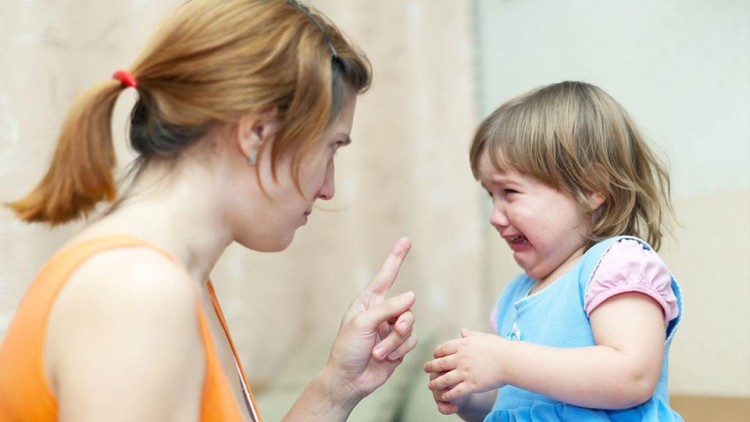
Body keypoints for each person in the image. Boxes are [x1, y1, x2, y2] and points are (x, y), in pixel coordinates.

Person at [0, 0, 419, 420]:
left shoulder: (177, 281)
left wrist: (337, 387)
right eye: (330, 149)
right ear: (257, 132)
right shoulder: (136, 291)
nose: (327, 188)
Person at [424, 81, 684, 421]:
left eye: (510, 192)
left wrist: (505, 361)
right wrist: (470, 396)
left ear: (591, 188)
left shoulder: (616, 264)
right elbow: (517, 403)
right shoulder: (515, 296)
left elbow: (632, 375)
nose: (495, 217)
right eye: (491, 195)